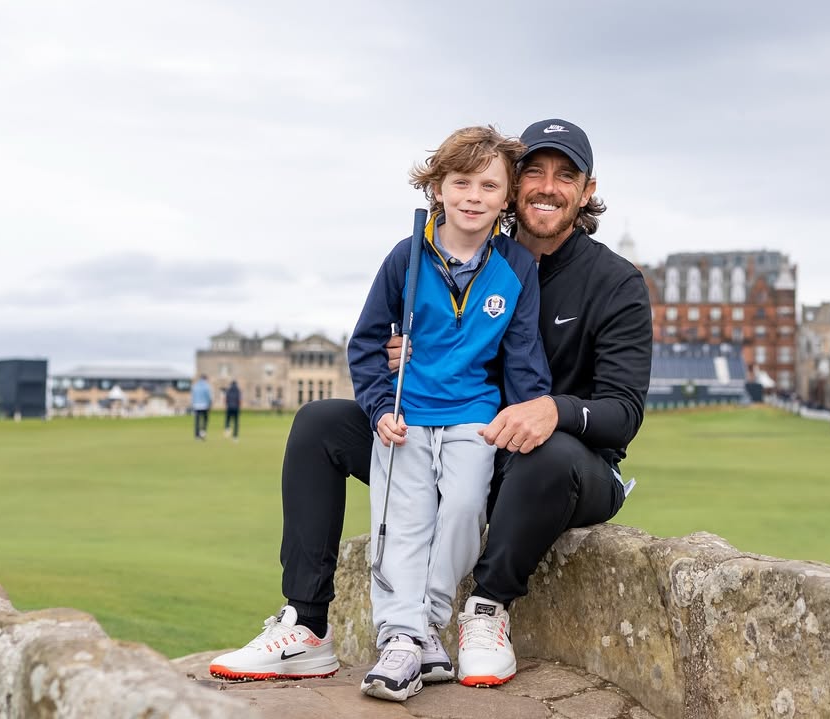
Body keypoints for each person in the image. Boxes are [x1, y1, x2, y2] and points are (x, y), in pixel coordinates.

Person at [209, 118, 652, 690]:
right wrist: (413, 355)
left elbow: (623, 411)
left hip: (564, 468)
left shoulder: (616, 282)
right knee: (320, 423)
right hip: (455, 436)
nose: (548, 186)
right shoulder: (467, 254)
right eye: (535, 173)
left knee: (549, 450)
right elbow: (391, 337)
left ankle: (486, 609)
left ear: (586, 192)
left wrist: (554, 410)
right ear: (515, 187)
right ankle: (307, 627)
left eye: (566, 176)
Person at [349, 125, 550, 701]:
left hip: (474, 416)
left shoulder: (515, 267)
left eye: (489, 185)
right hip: (406, 417)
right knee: (403, 526)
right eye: (461, 181)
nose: (473, 196)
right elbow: (366, 344)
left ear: (506, 196)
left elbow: (523, 357)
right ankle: (402, 641)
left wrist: (527, 418)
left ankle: (425, 624)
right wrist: (380, 406)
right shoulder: (404, 258)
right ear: (437, 187)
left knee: (462, 510)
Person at [191, 374, 212, 440]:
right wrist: (210, 404)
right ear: (205, 379)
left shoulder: (195, 386)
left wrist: (193, 404)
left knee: (197, 421)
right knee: (205, 420)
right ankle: (202, 433)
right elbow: (209, 396)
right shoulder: (207, 386)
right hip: (204, 405)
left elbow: (193, 396)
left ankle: (197, 435)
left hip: (196, 405)